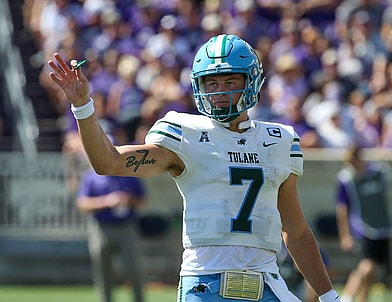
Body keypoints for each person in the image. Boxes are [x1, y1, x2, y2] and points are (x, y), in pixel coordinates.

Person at [48, 34, 340, 302]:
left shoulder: (278, 140)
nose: (220, 92)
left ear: (252, 81)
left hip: (266, 283)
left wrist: (329, 297)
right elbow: (107, 162)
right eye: (211, 83)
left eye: (229, 82)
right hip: (205, 283)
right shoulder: (185, 134)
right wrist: (83, 106)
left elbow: (297, 232)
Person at [76, 164, 147, 302]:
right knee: (103, 270)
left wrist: (128, 200)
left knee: (132, 268)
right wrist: (106, 201)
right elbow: (82, 203)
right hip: (101, 227)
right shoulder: (91, 176)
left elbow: (143, 199)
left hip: (126, 226)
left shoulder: (129, 173)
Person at [335, 146, 392, 302]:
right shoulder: (347, 179)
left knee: (370, 270)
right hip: (363, 228)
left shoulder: (379, 172)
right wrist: (345, 234)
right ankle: (346, 298)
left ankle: (362, 299)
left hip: (383, 227)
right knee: (367, 266)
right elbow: (342, 208)